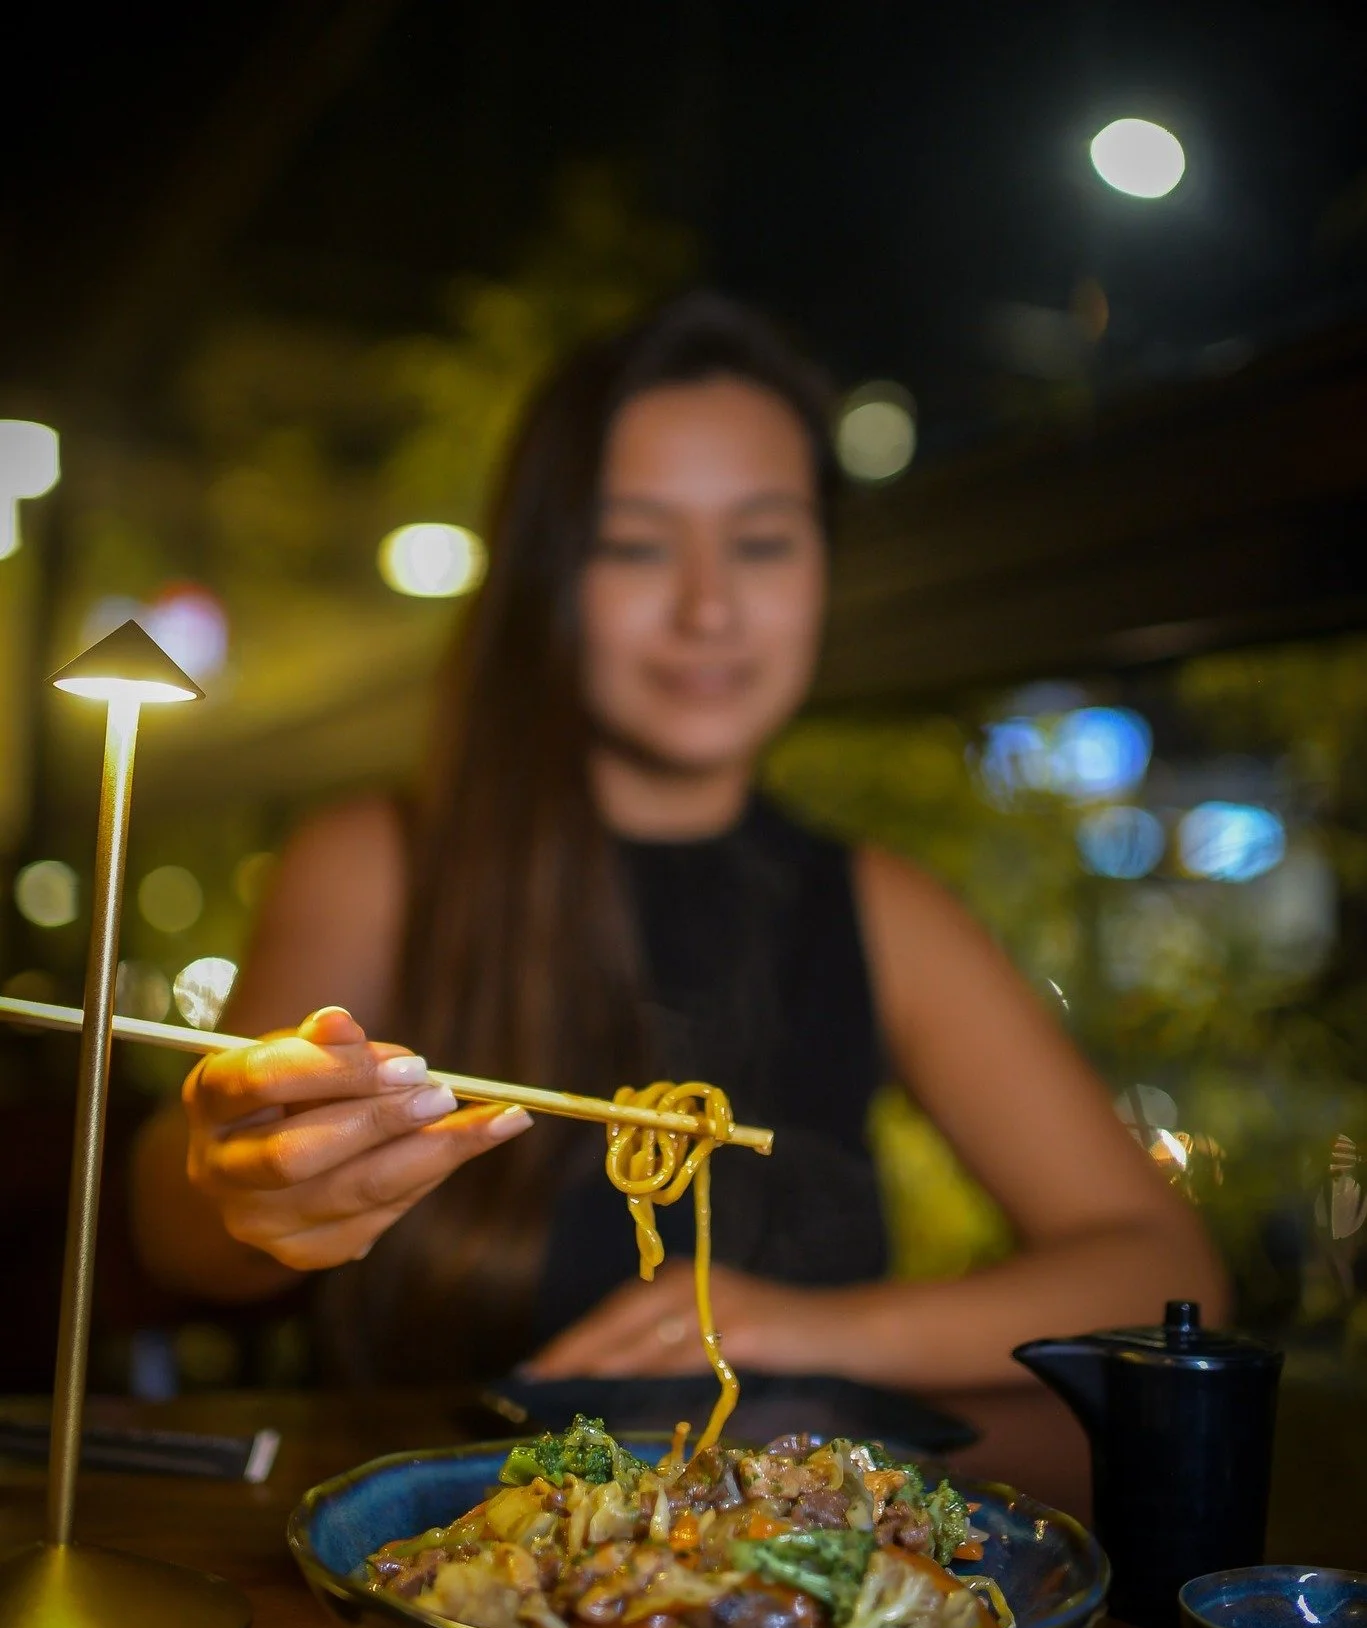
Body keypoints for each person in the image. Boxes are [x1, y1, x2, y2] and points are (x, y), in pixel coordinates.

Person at [130, 293, 1228, 1389]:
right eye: (635, 544)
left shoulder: (877, 905)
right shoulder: (378, 860)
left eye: (760, 541)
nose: (708, 608)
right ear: (546, 578)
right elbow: (176, 1233)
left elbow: (1163, 1270)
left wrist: (796, 1329)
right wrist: (241, 1184)